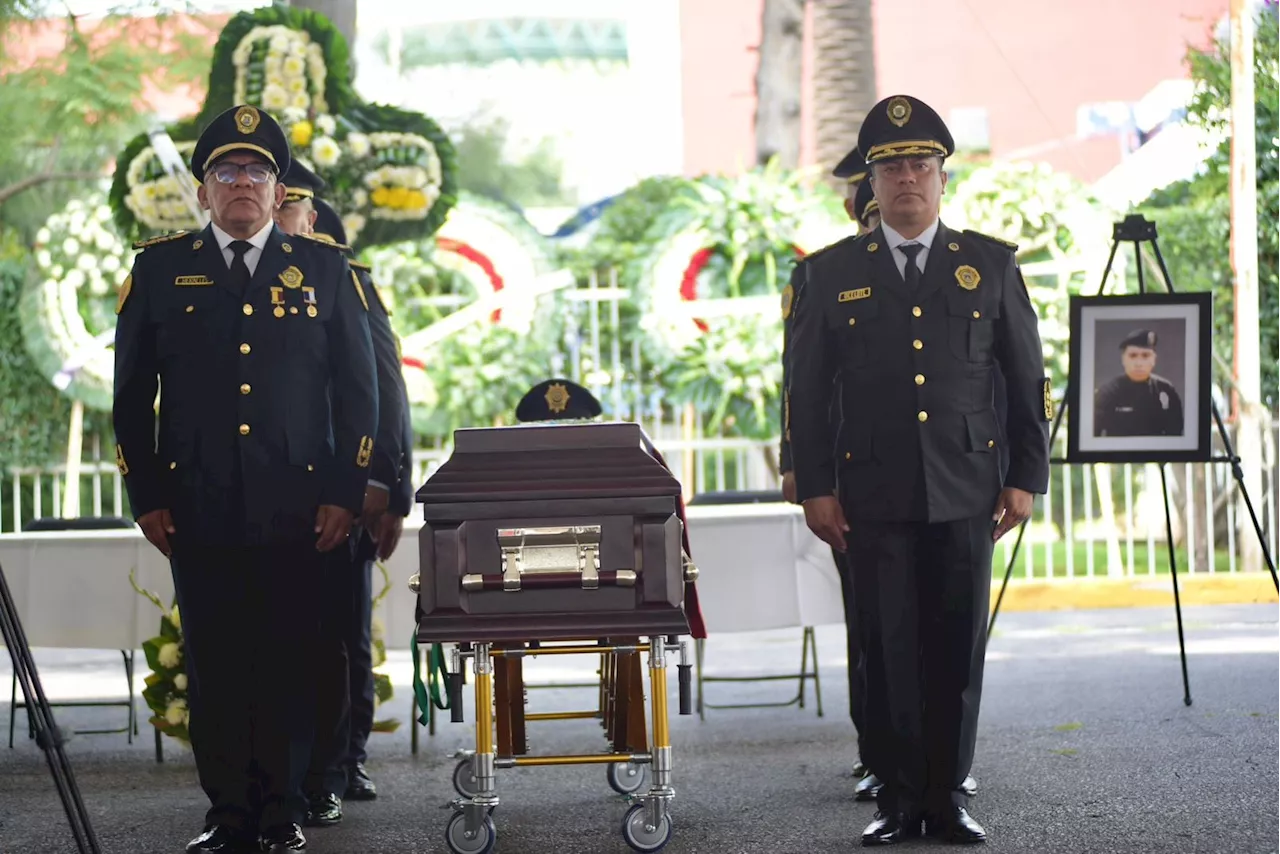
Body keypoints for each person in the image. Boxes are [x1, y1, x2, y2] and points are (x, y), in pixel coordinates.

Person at [113, 104, 378, 854]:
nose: (241, 183)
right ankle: (229, 810)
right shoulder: (159, 270)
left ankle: (283, 808)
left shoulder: (325, 270)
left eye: (257, 171)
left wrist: (345, 490)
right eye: (225, 171)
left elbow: (360, 395)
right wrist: (148, 496)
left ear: (277, 188)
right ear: (202, 191)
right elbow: (131, 398)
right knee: (217, 658)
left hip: (300, 507)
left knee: (292, 655)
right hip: (197, 505)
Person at [788, 94, 1050, 846]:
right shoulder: (831, 274)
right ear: (870, 184)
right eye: (892, 167)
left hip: (969, 487)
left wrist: (1024, 475)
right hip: (870, 491)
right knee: (890, 646)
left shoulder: (988, 266)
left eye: (920, 165)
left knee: (957, 648)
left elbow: (1025, 379)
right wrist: (816, 487)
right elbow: (806, 393)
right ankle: (900, 802)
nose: (907, 178)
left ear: (943, 178)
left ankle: (947, 797)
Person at [273, 161, 414, 825]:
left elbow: (384, 387)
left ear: (310, 215)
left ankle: (346, 756)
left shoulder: (344, 279)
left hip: (343, 486)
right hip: (266, 491)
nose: (282, 215)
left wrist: (389, 485)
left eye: (292, 203)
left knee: (343, 634)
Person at [781, 145, 880, 797]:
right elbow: (796, 383)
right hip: (850, 469)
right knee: (870, 621)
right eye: (867, 220)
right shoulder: (823, 279)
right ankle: (877, 747)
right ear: (855, 214)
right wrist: (798, 466)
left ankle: (938, 755)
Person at [1094, 329, 1183, 436]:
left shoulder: (1166, 390)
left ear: (1154, 359)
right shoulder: (1107, 393)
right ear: (1123, 359)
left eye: (1145, 356)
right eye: (1133, 356)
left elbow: (1176, 435)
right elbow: (1094, 437)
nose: (1139, 363)